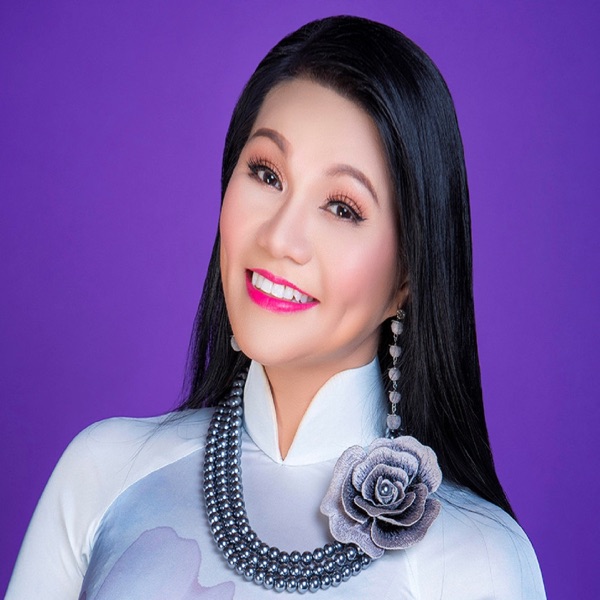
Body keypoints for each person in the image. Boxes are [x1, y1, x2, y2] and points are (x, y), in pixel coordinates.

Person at [7, 15, 545, 599]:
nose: (280, 238)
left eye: (342, 208)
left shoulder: (478, 560)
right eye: (266, 174)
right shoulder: (102, 474)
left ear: (407, 278)